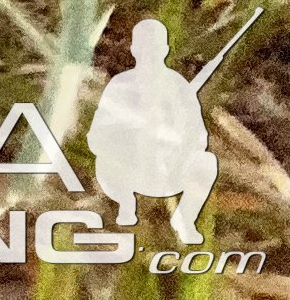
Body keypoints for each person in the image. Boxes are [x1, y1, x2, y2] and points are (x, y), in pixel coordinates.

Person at [93, 20, 220, 243]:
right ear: (133, 50)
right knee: (105, 162)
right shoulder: (120, 85)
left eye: (156, 47)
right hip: (128, 171)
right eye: (144, 48)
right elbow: (97, 136)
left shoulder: (178, 86)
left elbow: (199, 135)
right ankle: (126, 206)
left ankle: (185, 219)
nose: (150, 55)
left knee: (207, 162)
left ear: (166, 49)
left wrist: (176, 138)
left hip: (169, 170)